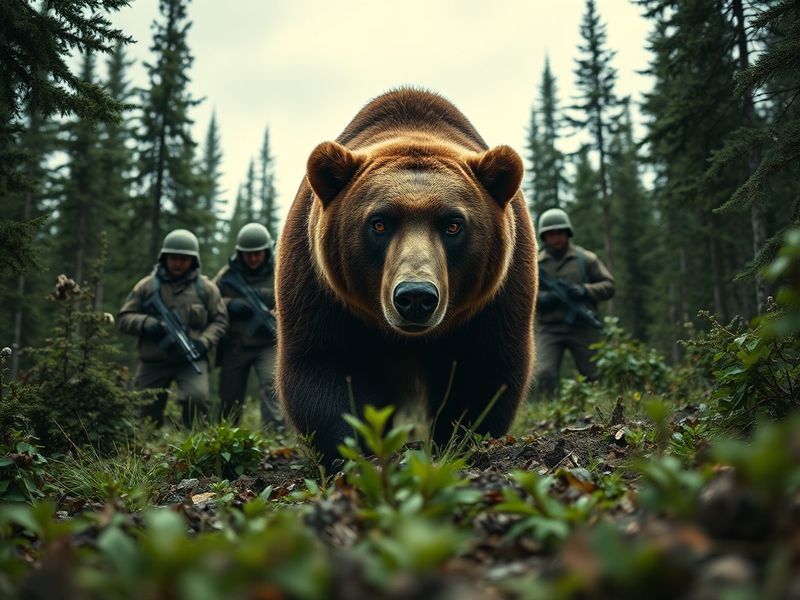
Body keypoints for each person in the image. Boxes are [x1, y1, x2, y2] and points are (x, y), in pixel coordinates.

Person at [118, 229, 228, 427]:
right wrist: (146, 323)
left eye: (184, 259)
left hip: (190, 359)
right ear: (165, 258)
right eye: (174, 258)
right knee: (142, 412)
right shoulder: (146, 287)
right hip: (154, 360)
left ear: (193, 261)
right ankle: (145, 447)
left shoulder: (206, 289)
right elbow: (124, 317)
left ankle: (194, 441)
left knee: (197, 398)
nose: (178, 263)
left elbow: (220, 320)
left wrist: (204, 342)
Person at [535, 208, 614, 399]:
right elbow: (522, 293)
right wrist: (541, 298)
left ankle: (596, 412)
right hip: (549, 329)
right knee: (543, 373)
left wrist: (585, 290)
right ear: (544, 237)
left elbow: (609, 286)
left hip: (582, 326)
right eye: (551, 234)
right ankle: (550, 414)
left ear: (567, 233)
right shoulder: (535, 263)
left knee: (593, 375)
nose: (556, 238)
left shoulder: (585, 259)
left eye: (560, 233)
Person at [213, 223, 282, 427]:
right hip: (236, 344)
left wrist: (278, 312)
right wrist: (231, 305)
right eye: (248, 254)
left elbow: (293, 300)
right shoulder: (227, 276)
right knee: (229, 394)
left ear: (266, 251)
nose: (252, 258)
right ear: (240, 253)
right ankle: (227, 435)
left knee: (272, 385)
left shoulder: (279, 271)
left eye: (257, 254)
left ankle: (275, 434)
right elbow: (210, 302)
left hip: (267, 342)